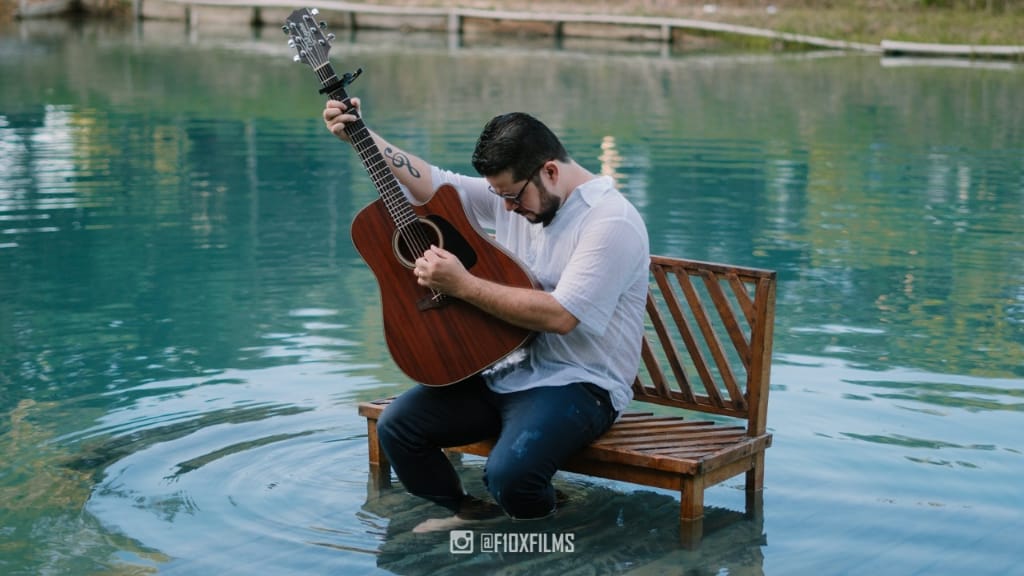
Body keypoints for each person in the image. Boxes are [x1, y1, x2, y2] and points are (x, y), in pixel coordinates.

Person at [323, 98, 650, 525]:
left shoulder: (610, 221)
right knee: (398, 426)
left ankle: (555, 536)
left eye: (512, 196)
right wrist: (361, 135)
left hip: (581, 385)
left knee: (510, 475)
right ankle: (472, 514)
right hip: (504, 367)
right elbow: (433, 183)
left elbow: (561, 316)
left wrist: (463, 284)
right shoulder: (518, 193)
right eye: (499, 195)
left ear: (550, 171)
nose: (506, 208)